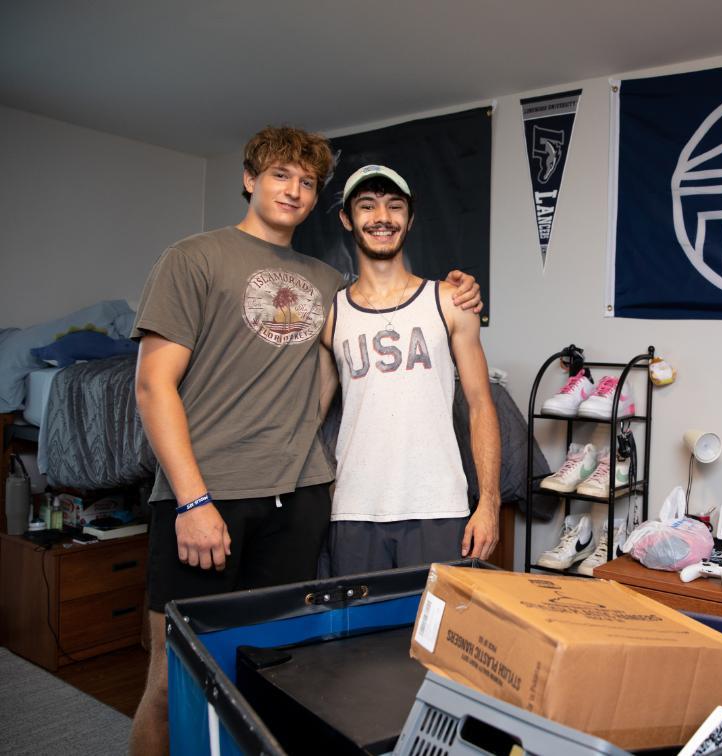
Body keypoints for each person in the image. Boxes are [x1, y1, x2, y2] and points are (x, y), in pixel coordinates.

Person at [128, 127, 481, 755]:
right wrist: (190, 501)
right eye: (279, 175)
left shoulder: (327, 282)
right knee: (172, 680)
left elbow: (342, 374)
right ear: (249, 179)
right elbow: (154, 388)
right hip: (209, 498)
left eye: (307, 181)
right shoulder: (194, 257)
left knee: (280, 679)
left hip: (301, 499)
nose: (293, 190)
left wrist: (462, 292)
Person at [320, 164, 501, 575]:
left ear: (410, 218)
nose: (381, 217)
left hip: (437, 506)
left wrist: (489, 503)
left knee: (439, 637)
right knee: (360, 638)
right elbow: (311, 415)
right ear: (348, 219)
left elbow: (480, 405)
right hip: (354, 511)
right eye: (367, 206)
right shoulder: (333, 314)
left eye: (394, 206)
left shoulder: (451, 300)